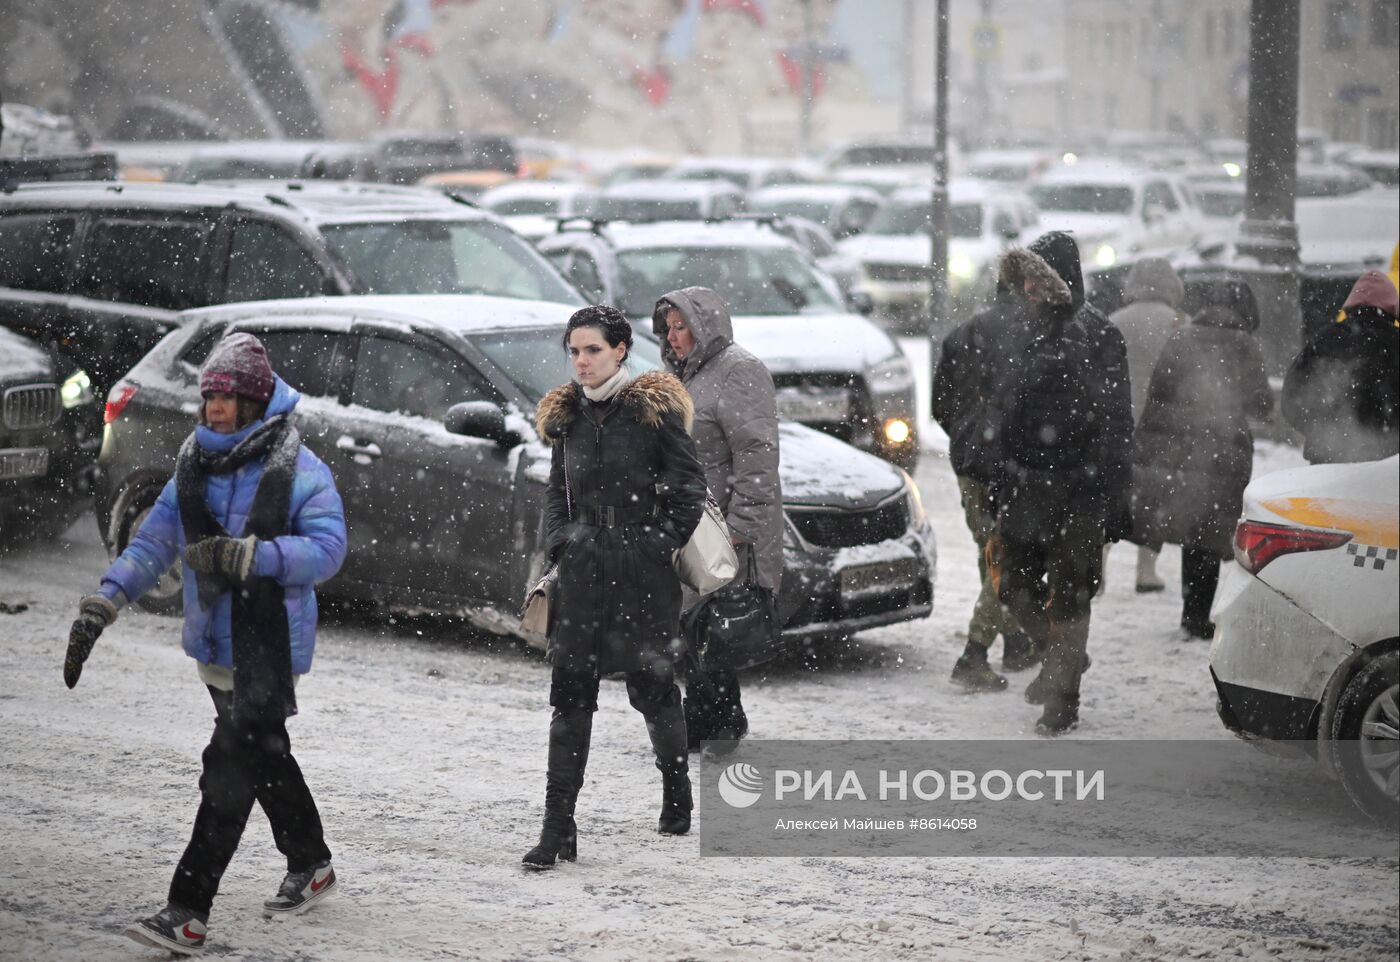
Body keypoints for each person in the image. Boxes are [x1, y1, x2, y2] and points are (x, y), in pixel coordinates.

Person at [62, 333, 347, 955]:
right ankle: (311, 861)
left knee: (228, 768)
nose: (216, 406)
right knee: (263, 756)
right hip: (215, 644)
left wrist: (255, 556)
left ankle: (187, 911)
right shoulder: (195, 460)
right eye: (211, 394)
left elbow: (328, 552)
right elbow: (153, 541)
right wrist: (106, 601)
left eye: (231, 397)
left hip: (267, 644)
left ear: (257, 400)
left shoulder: (297, 466)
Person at [524, 305, 706, 869]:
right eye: (574, 351)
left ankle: (677, 793)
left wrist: (652, 543)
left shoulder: (651, 413)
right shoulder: (569, 416)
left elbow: (689, 490)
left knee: (652, 689)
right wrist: (563, 542)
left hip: (641, 578)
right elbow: (557, 489)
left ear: (621, 350)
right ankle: (557, 828)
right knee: (570, 699)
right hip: (581, 575)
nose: (581, 361)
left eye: (593, 350)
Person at [990, 233, 1134, 735]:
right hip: (1025, 485)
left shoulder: (1097, 333)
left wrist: (1112, 492)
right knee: (1013, 587)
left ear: (1056, 279)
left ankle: (1062, 699)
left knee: (1072, 596)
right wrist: (998, 470)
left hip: (1080, 488)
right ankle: (1062, 656)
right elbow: (1004, 407)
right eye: (1023, 277)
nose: (1026, 287)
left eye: (1036, 277)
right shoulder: (1021, 329)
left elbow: (1117, 420)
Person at [653, 287, 782, 748]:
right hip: (691, 523)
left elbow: (757, 457)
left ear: (703, 325)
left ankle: (721, 723)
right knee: (690, 625)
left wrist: (741, 528)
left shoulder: (739, 370)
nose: (673, 337)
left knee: (713, 626)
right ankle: (706, 718)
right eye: (668, 328)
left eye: (681, 326)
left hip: (723, 528)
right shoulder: (684, 374)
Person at [1132, 280, 1273, 639]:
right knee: (1210, 533)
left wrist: (1147, 446)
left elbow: (1157, 396)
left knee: (1192, 521)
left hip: (1180, 448)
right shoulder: (1245, 344)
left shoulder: (1181, 338)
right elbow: (1262, 405)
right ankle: (1196, 616)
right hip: (1225, 451)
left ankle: (1190, 612)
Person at [931, 280, 1038, 691]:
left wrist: (966, 438)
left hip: (970, 461)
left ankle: (1012, 641)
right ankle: (973, 655)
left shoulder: (964, 333)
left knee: (989, 551)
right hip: (1009, 463)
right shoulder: (1033, 335)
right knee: (1006, 560)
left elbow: (941, 404)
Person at [1108, 257, 1188, 593]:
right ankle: (1146, 570)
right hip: (1161, 426)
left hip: (1119, 422)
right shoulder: (1180, 325)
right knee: (1154, 497)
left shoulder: (1112, 322)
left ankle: (1098, 564)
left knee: (1112, 496)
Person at [1282, 270, 1400, 464]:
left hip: (1328, 463)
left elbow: (1291, 400)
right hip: (1388, 468)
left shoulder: (1324, 339)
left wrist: (1323, 434)